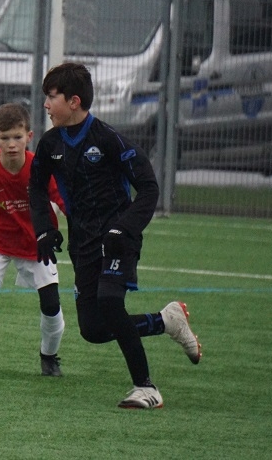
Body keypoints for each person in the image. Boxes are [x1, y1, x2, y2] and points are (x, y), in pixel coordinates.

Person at [28, 62, 202, 409]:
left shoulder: (108, 139)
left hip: (119, 240)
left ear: (74, 101)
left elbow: (149, 188)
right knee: (93, 330)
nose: (45, 105)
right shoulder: (50, 144)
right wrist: (44, 228)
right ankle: (166, 321)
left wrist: (125, 228)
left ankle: (146, 388)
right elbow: (36, 188)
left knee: (110, 301)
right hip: (83, 244)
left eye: (51, 97)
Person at [0, 102, 67, 376]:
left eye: (17, 137)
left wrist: (83, 223)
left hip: (36, 242)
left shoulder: (40, 168)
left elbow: (62, 199)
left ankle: (49, 356)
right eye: (5, 137)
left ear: (29, 136)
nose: (12, 144)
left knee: (51, 305)